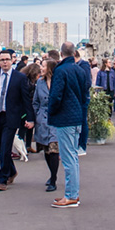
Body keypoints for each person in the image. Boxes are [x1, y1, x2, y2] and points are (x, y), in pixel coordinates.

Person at [0, 49, 34, 190]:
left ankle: (2, 180)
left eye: (7, 59)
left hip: (11, 117)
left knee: (5, 147)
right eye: (2, 60)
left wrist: (30, 118)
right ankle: (11, 170)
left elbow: (25, 100)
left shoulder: (19, 78)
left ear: (12, 61)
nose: (5, 62)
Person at [48, 41, 87, 207]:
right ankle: (73, 193)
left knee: (68, 158)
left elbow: (56, 96)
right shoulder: (80, 70)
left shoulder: (61, 70)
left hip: (65, 118)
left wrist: (51, 111)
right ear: (74, 53)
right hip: (77, 116)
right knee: (73, 157)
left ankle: (71, 196)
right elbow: (85, 94)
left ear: (61, 53)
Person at [29, 63, 60, 193]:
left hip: (56, 119)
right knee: (46, 149)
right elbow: (35, 102)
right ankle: (51, 173)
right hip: (42, 120)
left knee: (53, 149)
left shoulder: (58, 81)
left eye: (43, 66)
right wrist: (35, 117)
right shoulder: (39, 83)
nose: (41, 68)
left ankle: (53, 179)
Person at [74, 46, 92, 155]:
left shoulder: (83, 65)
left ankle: (82, 146)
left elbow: (87, 82)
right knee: (78, 122)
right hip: (77, 98)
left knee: (82, 121)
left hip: (82, 98)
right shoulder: (77, 65)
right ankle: (77, 145)